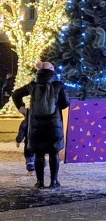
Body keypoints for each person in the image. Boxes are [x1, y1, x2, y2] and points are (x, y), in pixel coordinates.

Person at [11, 61, 69, 189]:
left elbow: (15, 94)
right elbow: (65, 103)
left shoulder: (32, 86)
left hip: (36, 124)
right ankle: (54, 182)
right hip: (54, 125)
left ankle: (39, 182)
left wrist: (22, 108)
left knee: (39, 154)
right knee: (54, 153)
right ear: (52, 72)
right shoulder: (58, 85)